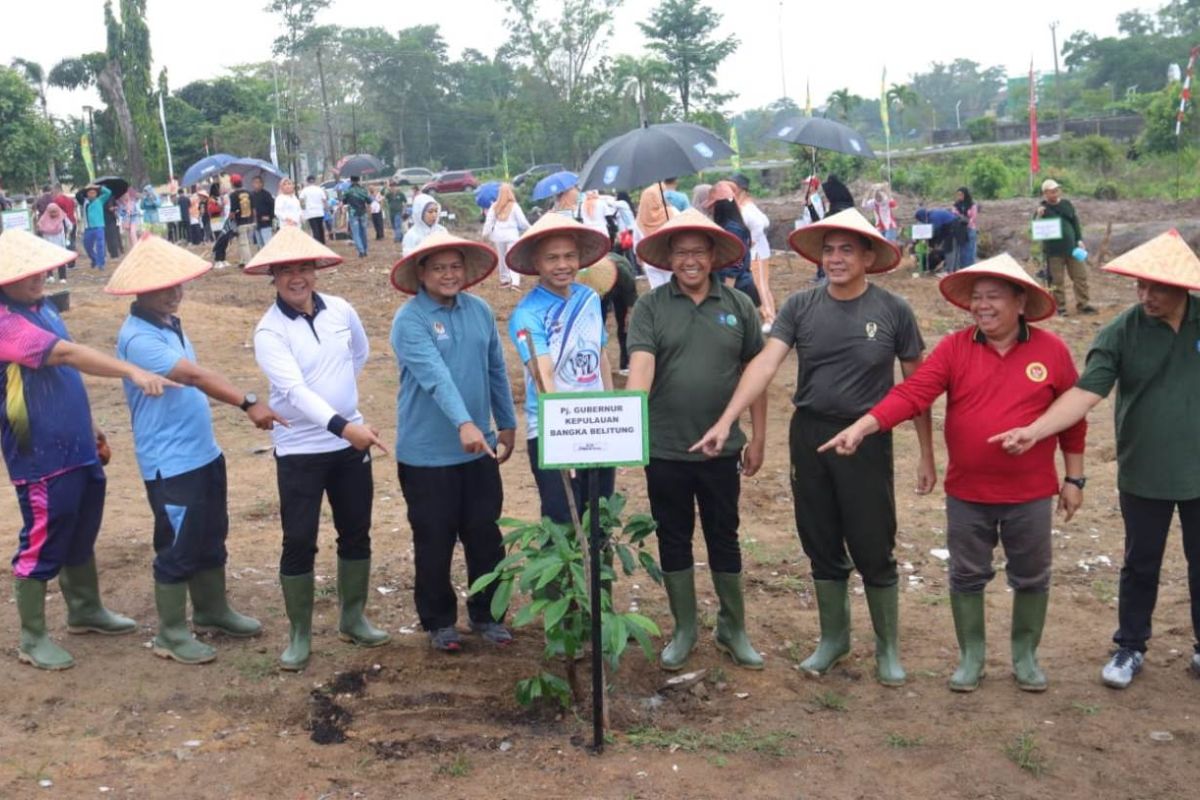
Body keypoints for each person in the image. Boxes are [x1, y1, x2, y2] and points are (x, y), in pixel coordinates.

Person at [692, 208, 936, 687]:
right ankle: (834, 640)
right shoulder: (801, 307)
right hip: (810, 436)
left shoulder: (893, 311)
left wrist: (927, 452)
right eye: (829, 250)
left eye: (848, 249)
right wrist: (727, 420)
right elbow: (764, 366)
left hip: (866, 438)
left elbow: (917, 387)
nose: (837, 258)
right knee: (819, 537)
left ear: (869, 255)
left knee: (872, 541)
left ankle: (887, 647)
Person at [820, 254, 1084, 693]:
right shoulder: (955, 348)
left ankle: (1025, 655)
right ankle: (971, 656)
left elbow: (1073, 419)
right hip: (968, 492)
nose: (981, 306)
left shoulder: (1051, 351)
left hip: (1031, 493)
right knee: (966, 574)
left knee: (1033, 574)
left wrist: (1074, 479)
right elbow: (912, 392)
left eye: (993, 297)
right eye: (976, 298)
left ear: (1021, 302)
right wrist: (865, 426)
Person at [989, 230, 1200, 689]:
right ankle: (1130, 646)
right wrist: (1035, 430)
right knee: (1141, 561)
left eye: (1156, 287)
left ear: (1183, 285)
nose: (1145, 296)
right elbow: (1085, 393)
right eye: (1139, 286)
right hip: (1145, 467)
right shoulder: (1122, 331)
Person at [105, 236, 285, 664]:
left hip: (202, 453)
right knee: (177, 544)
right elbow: (195, 377)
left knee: (209, 534)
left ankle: (212, 609)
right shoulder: (138, 339)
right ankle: (170, 632)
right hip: (171, 463)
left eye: (177, 283)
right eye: (162, 286)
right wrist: (247, 401)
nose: (174, 292)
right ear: (139, 291)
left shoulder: (169, 324)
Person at [0, 229, 171, 670]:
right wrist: (130, 371)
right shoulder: (4, 322)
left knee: (81, 525)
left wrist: (91, 425)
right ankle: (32, 637)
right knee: (44, 533)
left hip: (74, 442)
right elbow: (66, 357)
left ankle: (84, 609)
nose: (38, 277)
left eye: (40, 268)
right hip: (38, 452)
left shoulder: (42, 309)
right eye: (25, 272)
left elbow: (64, 376)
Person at [245, 226, 391, 671]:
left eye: (303, 268)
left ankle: (353, 617)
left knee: (356, 530)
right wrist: (343, 425)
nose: (296, 277)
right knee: (299, 539)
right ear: (273, 276)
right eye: (286, 270)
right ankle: (300, 634)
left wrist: (347, 422)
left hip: (350, 446)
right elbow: (294, 391)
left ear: (315, 270)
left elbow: (359, 355)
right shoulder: (269, 332)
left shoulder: (341, 311)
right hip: (300, 450)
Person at [627, 209, 767, 671]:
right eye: (681, 252)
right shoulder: (650, 307)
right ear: (668, 258)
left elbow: (756, 373)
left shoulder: (738, 306)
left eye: (698, 251)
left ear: (713, 256)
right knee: (674, 535)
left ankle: (733, 627)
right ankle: (684, 627)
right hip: (664, 446)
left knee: (724, 535)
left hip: (721, 449)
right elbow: (642, 367)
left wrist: (758, 437)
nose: (690, 260)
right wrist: (624, 422)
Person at [389, 231, 518, 652]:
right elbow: (435, 378)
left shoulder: (479, 310)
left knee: (485, 535)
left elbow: (495, 368)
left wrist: (506, 422)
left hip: (479, 449)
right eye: (439, 267)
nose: (449, 274)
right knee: (434, 539)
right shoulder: (410, 321)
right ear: (422, 273)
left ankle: (487, 614)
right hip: (427, 455)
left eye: (455, 266)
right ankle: (439, 621)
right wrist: (465, 423)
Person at [506, 213, 614, 524]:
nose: (562, 265)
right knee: (563, 520)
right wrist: (561, 441)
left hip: (598, 422)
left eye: (569, 256)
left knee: (601, 517)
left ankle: (599, 574)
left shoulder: (590, 298)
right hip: (553, 429)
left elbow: (601, 355)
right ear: (537, 263)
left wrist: (614, 413)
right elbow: (544, 378)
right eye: (552, 258)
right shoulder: (527, 313)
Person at [1036, 179, 1095, 315]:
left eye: (1057, 190)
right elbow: (1036, 229)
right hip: (1053, 252)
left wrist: (1079, 239)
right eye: (1052, 191)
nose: (1055, 193)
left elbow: (1075, 222)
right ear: (1045, 193)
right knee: (1057, 280)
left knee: (1080, 276)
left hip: (1073, 248)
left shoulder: (1067, 204)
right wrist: (1039, 216)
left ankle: (1084, 304)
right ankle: (1060, 307)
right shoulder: (1042, 210)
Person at [706, 181, 760, 307]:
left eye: (713, 205)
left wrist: (727, 294)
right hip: (737, 285)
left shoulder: (732, 229)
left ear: (721, 206)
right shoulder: (731, 226)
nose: (711, 209)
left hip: (736, 287)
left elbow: (735, 263)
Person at [730, 174, 774, 323]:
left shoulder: (748, 208)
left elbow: (762, 224)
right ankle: (767, 315)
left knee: (761, 285)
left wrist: (750, 242)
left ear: (741, 189)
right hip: (755, 252)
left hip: (758, 253)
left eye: (733, 186)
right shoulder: (744, 205)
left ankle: (770, 319)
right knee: (757, 284)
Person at [481, 183, 529, 290]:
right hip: (512, 236)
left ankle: (504, 280)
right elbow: (522, 222)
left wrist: (484, 234)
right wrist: (530, 229)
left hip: (498, 236)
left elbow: (489, 222)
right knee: (513, 258)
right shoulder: (514, 206)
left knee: (502, 258)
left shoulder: (494, 206)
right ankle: (515, 282)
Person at [635, 184, 674, 289]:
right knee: (674, 289)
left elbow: (637, 243)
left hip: (650, 260)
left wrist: (640, 258)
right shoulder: (671, 213)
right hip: (670, 258)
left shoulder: (639, 219)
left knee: (657, 291)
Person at [36, 203, 72, 283]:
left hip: (60, 242)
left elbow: (70, 226)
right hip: (48, 243)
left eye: (55, 212)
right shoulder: (43, 218)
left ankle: (62, 278)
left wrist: (67, 236)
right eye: (51, 212)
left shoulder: (62, 217)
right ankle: (50, 276)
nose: (53, 214)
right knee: (49, 260)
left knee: (61, 260)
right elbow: (39, 227)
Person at [226, 174, 256, 267]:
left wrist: (230, 218)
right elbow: (254, 208)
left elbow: (233, 210)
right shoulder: (250, 193)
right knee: (246, 242)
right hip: (250, 220)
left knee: (243, 243)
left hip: (240, 222)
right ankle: (242, 260)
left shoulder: (233, 195)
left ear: (232, 183)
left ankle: (248, 262)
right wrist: (254, 219)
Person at [81, 184, 112, 269]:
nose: (92, 194)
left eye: (93, 193)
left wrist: (98, 187)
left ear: (96, 194)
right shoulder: (85, 202)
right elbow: (78, 195)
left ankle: (101, 263)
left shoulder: (100, 200)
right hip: (88, 228)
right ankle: (94, 258)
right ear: (87, 194)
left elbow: (108, 192)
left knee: (100, 245)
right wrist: (85, 187)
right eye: (90, 193)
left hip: (99, 226)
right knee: (87, 245)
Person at [343, 176, 371, 258]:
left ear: (351, 181)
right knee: (364, 232)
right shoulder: (363, 190)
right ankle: (365, 250)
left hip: (353, 214)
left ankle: (361, 251)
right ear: (359, 180)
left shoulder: (348, 191)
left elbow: (344, 201)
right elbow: (369, 201)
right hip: (363, 213)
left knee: (356, 233)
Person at [953, 186, 978, 267]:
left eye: (961, 195)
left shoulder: (972, 205)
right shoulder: (956, 205)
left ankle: (970, 267)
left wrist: (967, 223)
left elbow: (973, 217)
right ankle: (963, 267)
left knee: (970, 249)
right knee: (962, 249)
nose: (959, 197)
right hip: (960, 229)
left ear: (965, 194)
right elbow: (954, 214)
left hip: (970, 228)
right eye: (958, 195)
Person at [300, 175, 327, 243]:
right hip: (319, 212)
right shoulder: (319, 189)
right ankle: (322, 242)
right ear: (314, 181)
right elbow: (324, 200)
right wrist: (325, 208)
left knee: (315, 229)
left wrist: (303, 208)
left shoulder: (305, 190)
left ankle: (317, 243)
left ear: (307, 182)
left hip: (310, 213)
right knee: (320, 228)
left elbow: (301, 199)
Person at [250, 176, 275, 247]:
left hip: (265, 223)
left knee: (268, 243)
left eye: (258, 182)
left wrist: (270, 217)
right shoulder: (251, 195)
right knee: (260, 244)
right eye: (254, 182)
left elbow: (273, 207)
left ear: (262, 184)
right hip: (256, 223)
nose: (256, 184)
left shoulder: (267, 194)